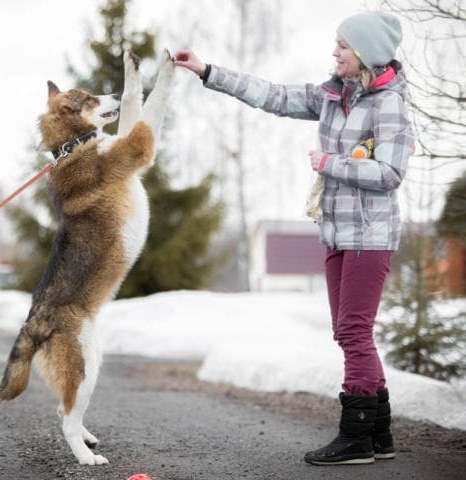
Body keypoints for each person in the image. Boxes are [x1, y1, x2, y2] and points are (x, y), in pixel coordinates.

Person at [174, 11, 414, 466]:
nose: (334, 52)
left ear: (364, 53)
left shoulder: (390, 104)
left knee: (354, 331)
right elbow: (274, 95)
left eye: (342, 45)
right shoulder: (332, 96)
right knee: (349, 333)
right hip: (336, 232)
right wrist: (206, 70)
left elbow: (391, 173)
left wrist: (328, 162)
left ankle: (357, 436)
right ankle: (379, 435)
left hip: (371, 235)